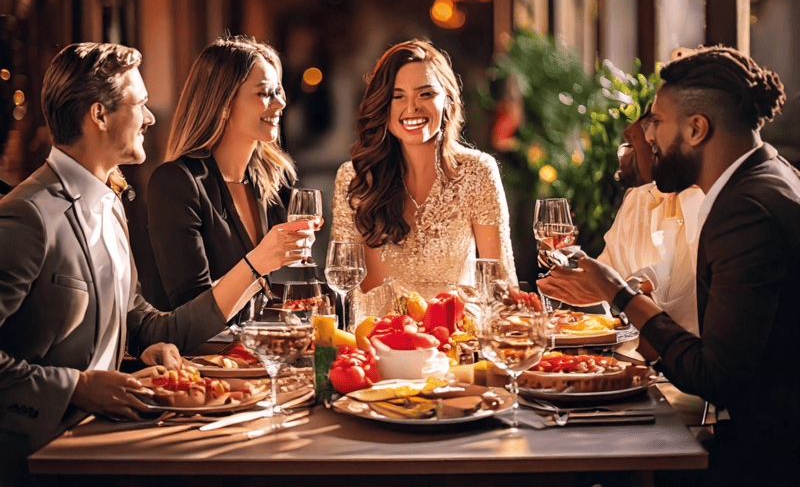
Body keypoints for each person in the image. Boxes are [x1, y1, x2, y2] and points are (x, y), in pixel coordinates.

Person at [0, 43, 310, 484]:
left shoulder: (110, 204)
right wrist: (77, 386)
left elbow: (144, 325)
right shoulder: (28, 214)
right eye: (140, 105)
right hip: (37, 461)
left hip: (110, 444)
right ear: (99, 115)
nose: (150, 118)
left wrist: (151, 350)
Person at [540, 46, 799, 485]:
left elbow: (714, 376)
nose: (647, 136)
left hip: (766, 460)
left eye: (656, 122)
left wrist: (620, 294)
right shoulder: (767, 178)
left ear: (697, 128)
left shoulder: (746, 212)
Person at [332, 39, 517, 319]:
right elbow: (346, 285)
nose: (412, 108)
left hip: (455, 348)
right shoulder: (355, 178)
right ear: (383, 104)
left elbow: (499, 284)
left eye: (426, 93)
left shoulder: (478, 172)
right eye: (398, 96)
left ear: (448, 99)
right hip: (376, 346)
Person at [146, 36, 316, 318]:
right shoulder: (177, 183)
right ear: (223, 102)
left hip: (256, 352)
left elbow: (266, 299)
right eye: (264, 93)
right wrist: (262, 259)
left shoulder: (271, 180)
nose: (280, 103)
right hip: (200, 359)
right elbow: (191, 310)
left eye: (279, 91)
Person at [597, 107, 705, 334]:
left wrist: (628, 289)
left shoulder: (713, 204)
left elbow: (675, 289)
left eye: (631, 142)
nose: (630, 135)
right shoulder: (636, 200)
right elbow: (604, 278)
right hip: (628, 359)